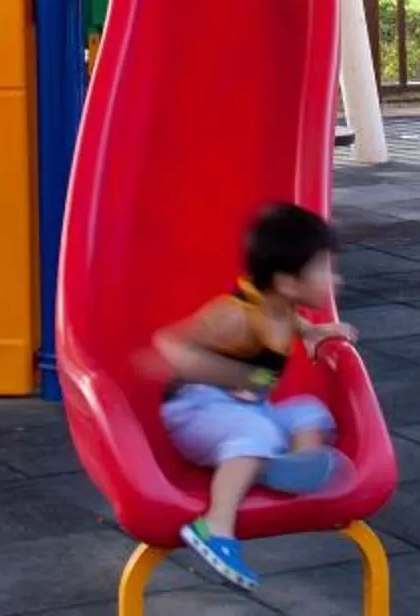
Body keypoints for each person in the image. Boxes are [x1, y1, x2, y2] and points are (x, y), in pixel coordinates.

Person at [150, 201, 356, 590]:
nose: (335, 280)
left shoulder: (282, 310)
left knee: (308, 412)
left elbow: (294, 325)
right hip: (195, 410)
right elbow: (169, 344)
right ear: (288, 282)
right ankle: (215, 525)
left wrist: (316, 333)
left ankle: (293, 466)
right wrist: (232, 373)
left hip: (242, 408)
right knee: (255, 433)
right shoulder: (234, 317)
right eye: (325, 269)